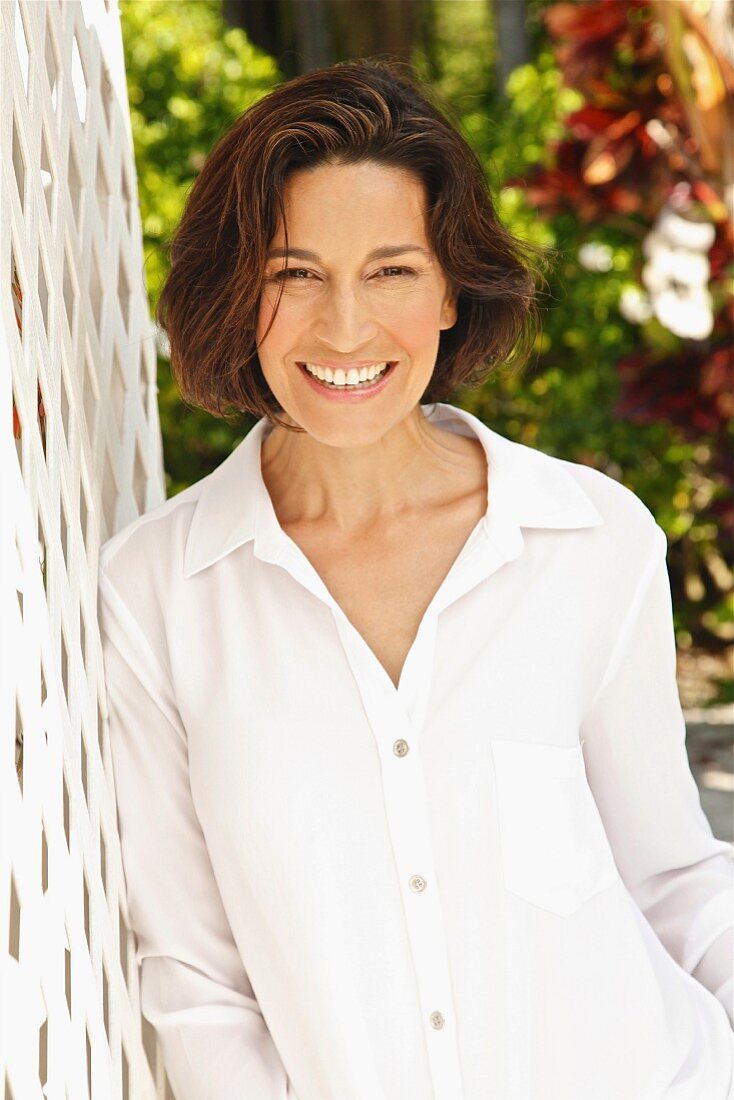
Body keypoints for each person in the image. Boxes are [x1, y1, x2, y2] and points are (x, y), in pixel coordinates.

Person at [97, 59, 734, 1100]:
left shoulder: (589, 539)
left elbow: (668, 875)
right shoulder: (157, 591)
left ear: (449, 289)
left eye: (389, 270)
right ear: (236, 288)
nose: (343, 328)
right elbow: (196, 976)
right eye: (294, 273)